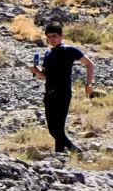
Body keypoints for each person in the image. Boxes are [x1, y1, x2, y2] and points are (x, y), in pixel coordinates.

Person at [29, 24, 94, 153]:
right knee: (54, 129)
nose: (51, 39)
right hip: (49, 93)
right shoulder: (48, 53)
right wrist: (36, 71)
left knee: (56, 129)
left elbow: (89, 64)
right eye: (49, 37)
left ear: (61, 36)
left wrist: (89, 84)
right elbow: (44, 76)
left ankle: (76, 151)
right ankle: (60, 154)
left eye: (54, 36)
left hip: (63, 93)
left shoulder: (69, 50)